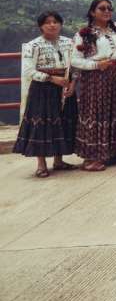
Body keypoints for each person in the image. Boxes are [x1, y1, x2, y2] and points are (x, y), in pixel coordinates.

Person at [13, 11, 77, 177]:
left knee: (62, 123)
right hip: (42, 89)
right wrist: (51, 78)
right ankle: (41, 164)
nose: (52, 25)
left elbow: (75, 66)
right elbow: (29, 71)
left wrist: (72, 84)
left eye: (55, 21)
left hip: (64, 86)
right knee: (41, 125)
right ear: (41, 26)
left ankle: (59, 160)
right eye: (47, 22)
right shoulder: (33, 46)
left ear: (61, 24)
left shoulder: (69, 43)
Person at [72, 0, 116, 172]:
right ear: (92, 12)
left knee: (114, 111)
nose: (106, 11)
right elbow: (74, 60)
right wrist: (96, 65)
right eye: (101, 8)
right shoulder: (84, 34)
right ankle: (90, 158)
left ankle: (111, 152)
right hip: (95, 78)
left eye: (109, 8)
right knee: (95, 113)